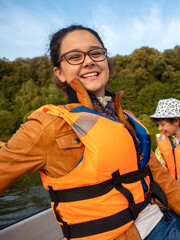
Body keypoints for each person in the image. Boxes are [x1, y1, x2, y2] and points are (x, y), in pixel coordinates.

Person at [0, 25, 180, 240]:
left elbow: (163, 181)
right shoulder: (46, 125)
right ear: (59, 72)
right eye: (74, 57)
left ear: (106, 61)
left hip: (164, 222)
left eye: (96, 53)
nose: (88, 61)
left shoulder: (128, 118)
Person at [150, 98, 180, 181]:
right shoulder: (162, 143)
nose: (159, 128)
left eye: (162, 125)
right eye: (158, 125)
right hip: (173, 189)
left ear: (176, 121)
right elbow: (159, 167)